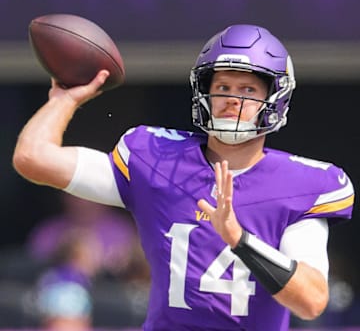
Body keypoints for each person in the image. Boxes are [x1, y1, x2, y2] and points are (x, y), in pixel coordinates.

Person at [13, 24, 354, 330]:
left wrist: (239, 239)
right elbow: (33, 159)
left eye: (248, 90)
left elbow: (311, 302)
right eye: (222, 87)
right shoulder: (158, 160)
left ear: (274, 98)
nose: (232, 100)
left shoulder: (303, 185)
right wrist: (64, 99)